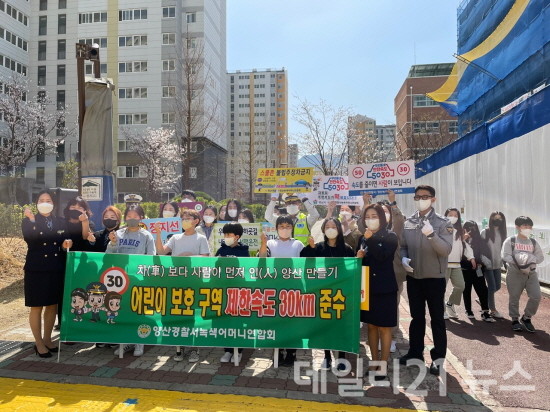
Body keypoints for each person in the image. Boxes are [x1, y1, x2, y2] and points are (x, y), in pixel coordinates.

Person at [399, 185, 452, 376]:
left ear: (433, 199)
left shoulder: (442, 222)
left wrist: (432, 235)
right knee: (416, 318)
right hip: (414, 277)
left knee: (437, 319)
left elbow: (445, 250)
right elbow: (403, 246)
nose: (421, 200)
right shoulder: (409, 222)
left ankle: (437, 359)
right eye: (418, 197)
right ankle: (415, 353)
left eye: (425, 197)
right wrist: (403, 258)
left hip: (435, 278)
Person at [154, 209, 210, 362]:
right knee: (175, 313)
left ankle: (194, 349)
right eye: (183, 218)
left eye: (188, 218)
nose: (185, 220)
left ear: (196, 221)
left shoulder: (201, 238)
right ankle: (179, 348)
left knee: (192, 315)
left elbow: (205, 258)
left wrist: (187, 256)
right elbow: (160, 252)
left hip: (193, 281)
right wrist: (158, 234)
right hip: (175, 281)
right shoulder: (175, 238)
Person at [22, 190, 73, 357]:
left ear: (53, 203)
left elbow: (65, 240)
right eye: (41, 200)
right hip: (36, 269)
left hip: (55, 268)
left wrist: (67, 243)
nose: (45, 202)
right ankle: (38, 343)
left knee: (52, 305)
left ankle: (47, 338)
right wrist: (32, 220)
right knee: (36, 307)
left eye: (48, 199)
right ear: (36, 203)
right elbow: (31, 239)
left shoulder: (60, 221)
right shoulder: (29, 221)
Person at [300, 218, 354, 371]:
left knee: (341, 326)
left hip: (342, 295)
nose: (331, 229)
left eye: (333, 226)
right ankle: (327, 357)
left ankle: (342, 357)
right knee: (325, 326)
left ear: (339, 229)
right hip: (323, 294)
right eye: (327, 227)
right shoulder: (318, 247)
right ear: (323, 230)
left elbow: (354, 269)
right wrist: (310, 248)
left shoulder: (347, 248)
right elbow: (305, 261)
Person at [107, 205, 155, 357]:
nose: (132, 218)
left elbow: (151, 258)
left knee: (138, 311)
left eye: (135, 215)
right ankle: (125, 341)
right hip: (120, 280)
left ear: (141, 217)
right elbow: (109, 255)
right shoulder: (118, 233)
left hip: (139, 279)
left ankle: (139, 342)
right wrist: (113, 242)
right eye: (129, 216)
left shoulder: (147, 236)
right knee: (123, 311)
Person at [356, 204, 398, 381]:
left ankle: (383, 364)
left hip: (385, 287)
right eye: (367, 216)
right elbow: (361, 262)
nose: (370, 219)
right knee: (371, 326)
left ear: (382, 217)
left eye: (374, 216)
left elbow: (383, 256)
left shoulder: (390, 236)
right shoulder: (362, 237)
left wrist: (371, 239)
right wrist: (358, 257)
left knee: (384, 327)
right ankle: (374, 362)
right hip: (368, 288)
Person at [258, 215, 304, 366]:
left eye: (288, 226)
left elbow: (305, 264)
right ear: (276, 228)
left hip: (293, 287)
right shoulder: (271, 243)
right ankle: (277, 350)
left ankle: (291, 352)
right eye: (281, 226)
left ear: (292, 228)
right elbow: (263, 258)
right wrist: (263, 244)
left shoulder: (298, 244)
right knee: (276, 320)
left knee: (292, 320)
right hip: (275, 287)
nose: (285, 229)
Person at [501, 216, 544, 333]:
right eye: (525, 226)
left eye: (530, 226)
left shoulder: (533, 242)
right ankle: (515, 319)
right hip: (515, 273)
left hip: (531, 273)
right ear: (517, 227)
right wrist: (519, 260)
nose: (528, 228)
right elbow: (505, 256)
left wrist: (530, 259)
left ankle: (526, 317)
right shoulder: (511, 241)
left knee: (536, 296)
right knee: (514, 297)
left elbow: (540, 257)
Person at [216, 222, 250, 364]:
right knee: (226, 321)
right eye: (225, 234)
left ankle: (239, 350)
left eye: (229, 234)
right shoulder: (221, 250)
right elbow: (215, 269)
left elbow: (247, 269)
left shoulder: (244, 251)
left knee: (239, 322)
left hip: (239, 292)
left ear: (237, 236)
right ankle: (228, 350)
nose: (226, 237)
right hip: (224, 291)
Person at [461, 220, 495, 322]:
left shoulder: (480, 240)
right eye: (468, 227)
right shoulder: (461, 241)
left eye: (474, 227)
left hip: (478, 270)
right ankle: (468, 310)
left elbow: (487, 254)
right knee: (466, 290)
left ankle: (485, 311)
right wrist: (463, 239)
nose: (471, 230)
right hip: (465, 269)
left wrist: (481, 263)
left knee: (482, 290)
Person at [443, 208, 469, 320]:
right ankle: (441, 310)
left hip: (456, 264)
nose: (453, 217)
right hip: (444, 263)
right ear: (446, 215)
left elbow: (463, 246)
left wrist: (471, 257)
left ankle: (449, 303)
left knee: (460, 286)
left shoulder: (461, 230)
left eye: (455, 215)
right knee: (441, 289)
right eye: (450, 214)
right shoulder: (442, 228)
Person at [480, 212, 507, 318]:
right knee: (492, 287)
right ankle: (493, 310)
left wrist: (505, 262)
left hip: (497, 264)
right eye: (495, 218)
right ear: (491, 219)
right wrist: (486, 262)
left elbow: (504, 250)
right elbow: (480, 249)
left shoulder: (503, 233)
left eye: (500, 219)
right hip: (487, 265)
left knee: (498, 286)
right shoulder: (485, 232)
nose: (497, 220)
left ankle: (485, 298)